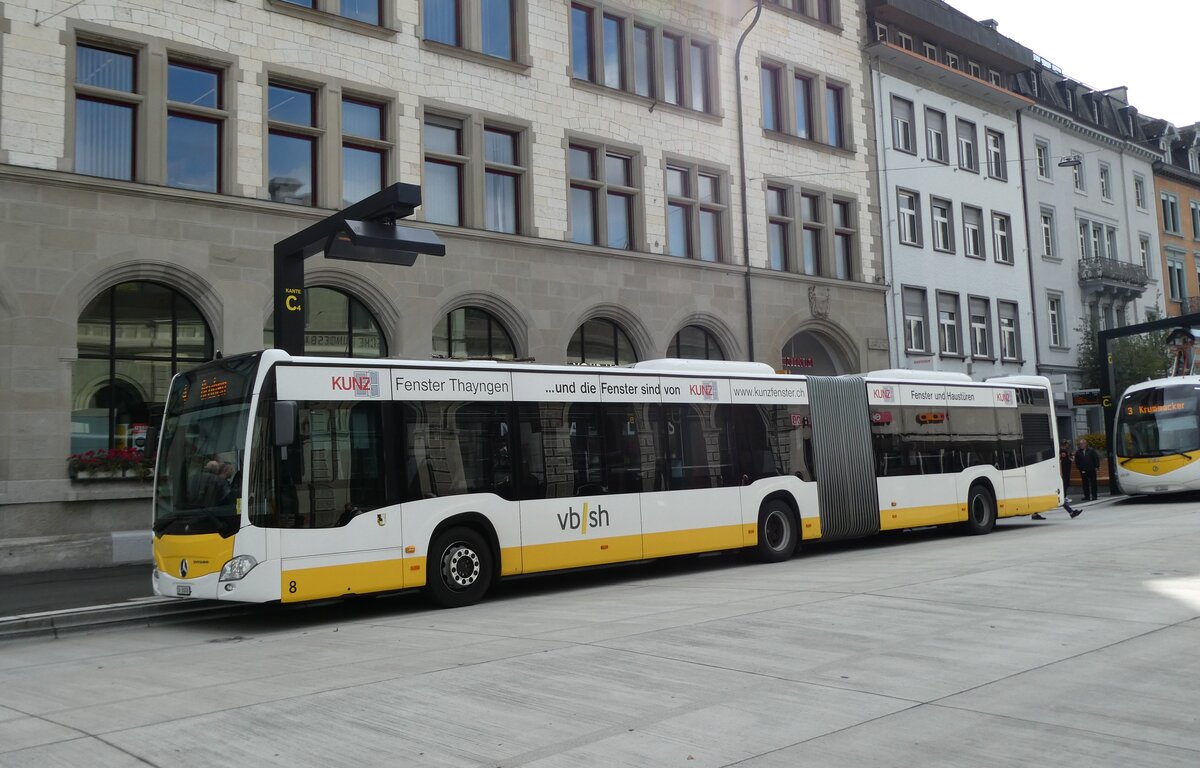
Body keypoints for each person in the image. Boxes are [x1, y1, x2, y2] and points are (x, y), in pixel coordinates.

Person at [1075, 437, 1101, 501]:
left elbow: (1096, 458)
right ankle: (1087, 496)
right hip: (1083, 470)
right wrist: (1079, 468)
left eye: (1082, 444)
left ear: (1086, 444)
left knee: (1093, 483)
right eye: (1080, 444)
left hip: (1091, 469)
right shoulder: (1078, 452)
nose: (1081, 445)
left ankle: (1094, 496)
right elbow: (1077, 461)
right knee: (1085, 484)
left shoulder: (1091, 450)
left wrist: (1097, 466)